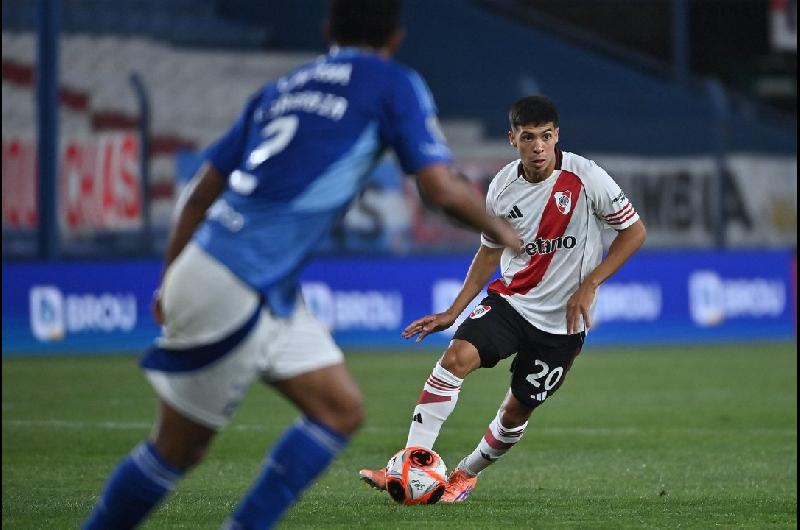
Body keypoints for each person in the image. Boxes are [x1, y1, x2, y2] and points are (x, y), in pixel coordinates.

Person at [81, 1, 520, 528]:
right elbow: (439, 187)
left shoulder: (283, 88)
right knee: (175, 450)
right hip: (237, 276)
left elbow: (199, 194)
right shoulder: (392, 83)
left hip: (244, 278)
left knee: (339, 410)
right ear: (397, 38)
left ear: (327, 30)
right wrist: (501, 230)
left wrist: (171, 276)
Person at [359, 95, 647, 503]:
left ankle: (464, 475)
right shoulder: (502, 188)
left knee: (516, 412)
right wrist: (452, 312)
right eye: (528, 137)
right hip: (512, 302)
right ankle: (410, 463)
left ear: (557, 135)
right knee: (455, 357)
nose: (539, 147)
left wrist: (591, 283)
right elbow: (490, 251)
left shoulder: (587, 177)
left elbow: (634, 232)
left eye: (546, 136)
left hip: (562, 327)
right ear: (512, 139)